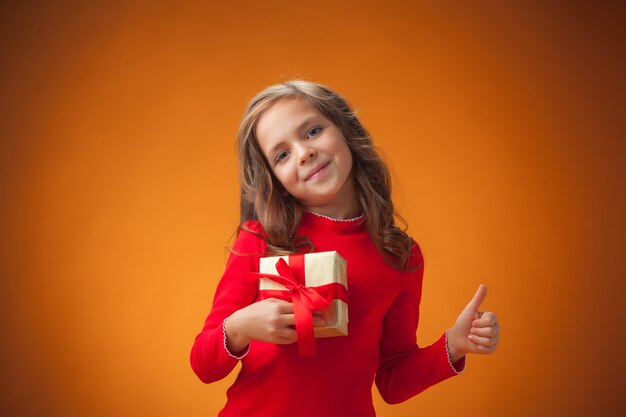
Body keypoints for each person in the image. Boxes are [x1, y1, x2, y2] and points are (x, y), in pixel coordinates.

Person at [190, 80, 500, 416]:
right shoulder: (260, 239)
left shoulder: (399, 255)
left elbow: (393, 381)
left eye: (312, 132)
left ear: (345, 130)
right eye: (282, 154)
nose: (304, 152)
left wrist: (452, 346)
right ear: (273, 179)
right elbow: (203, 365)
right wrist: (239, 328)